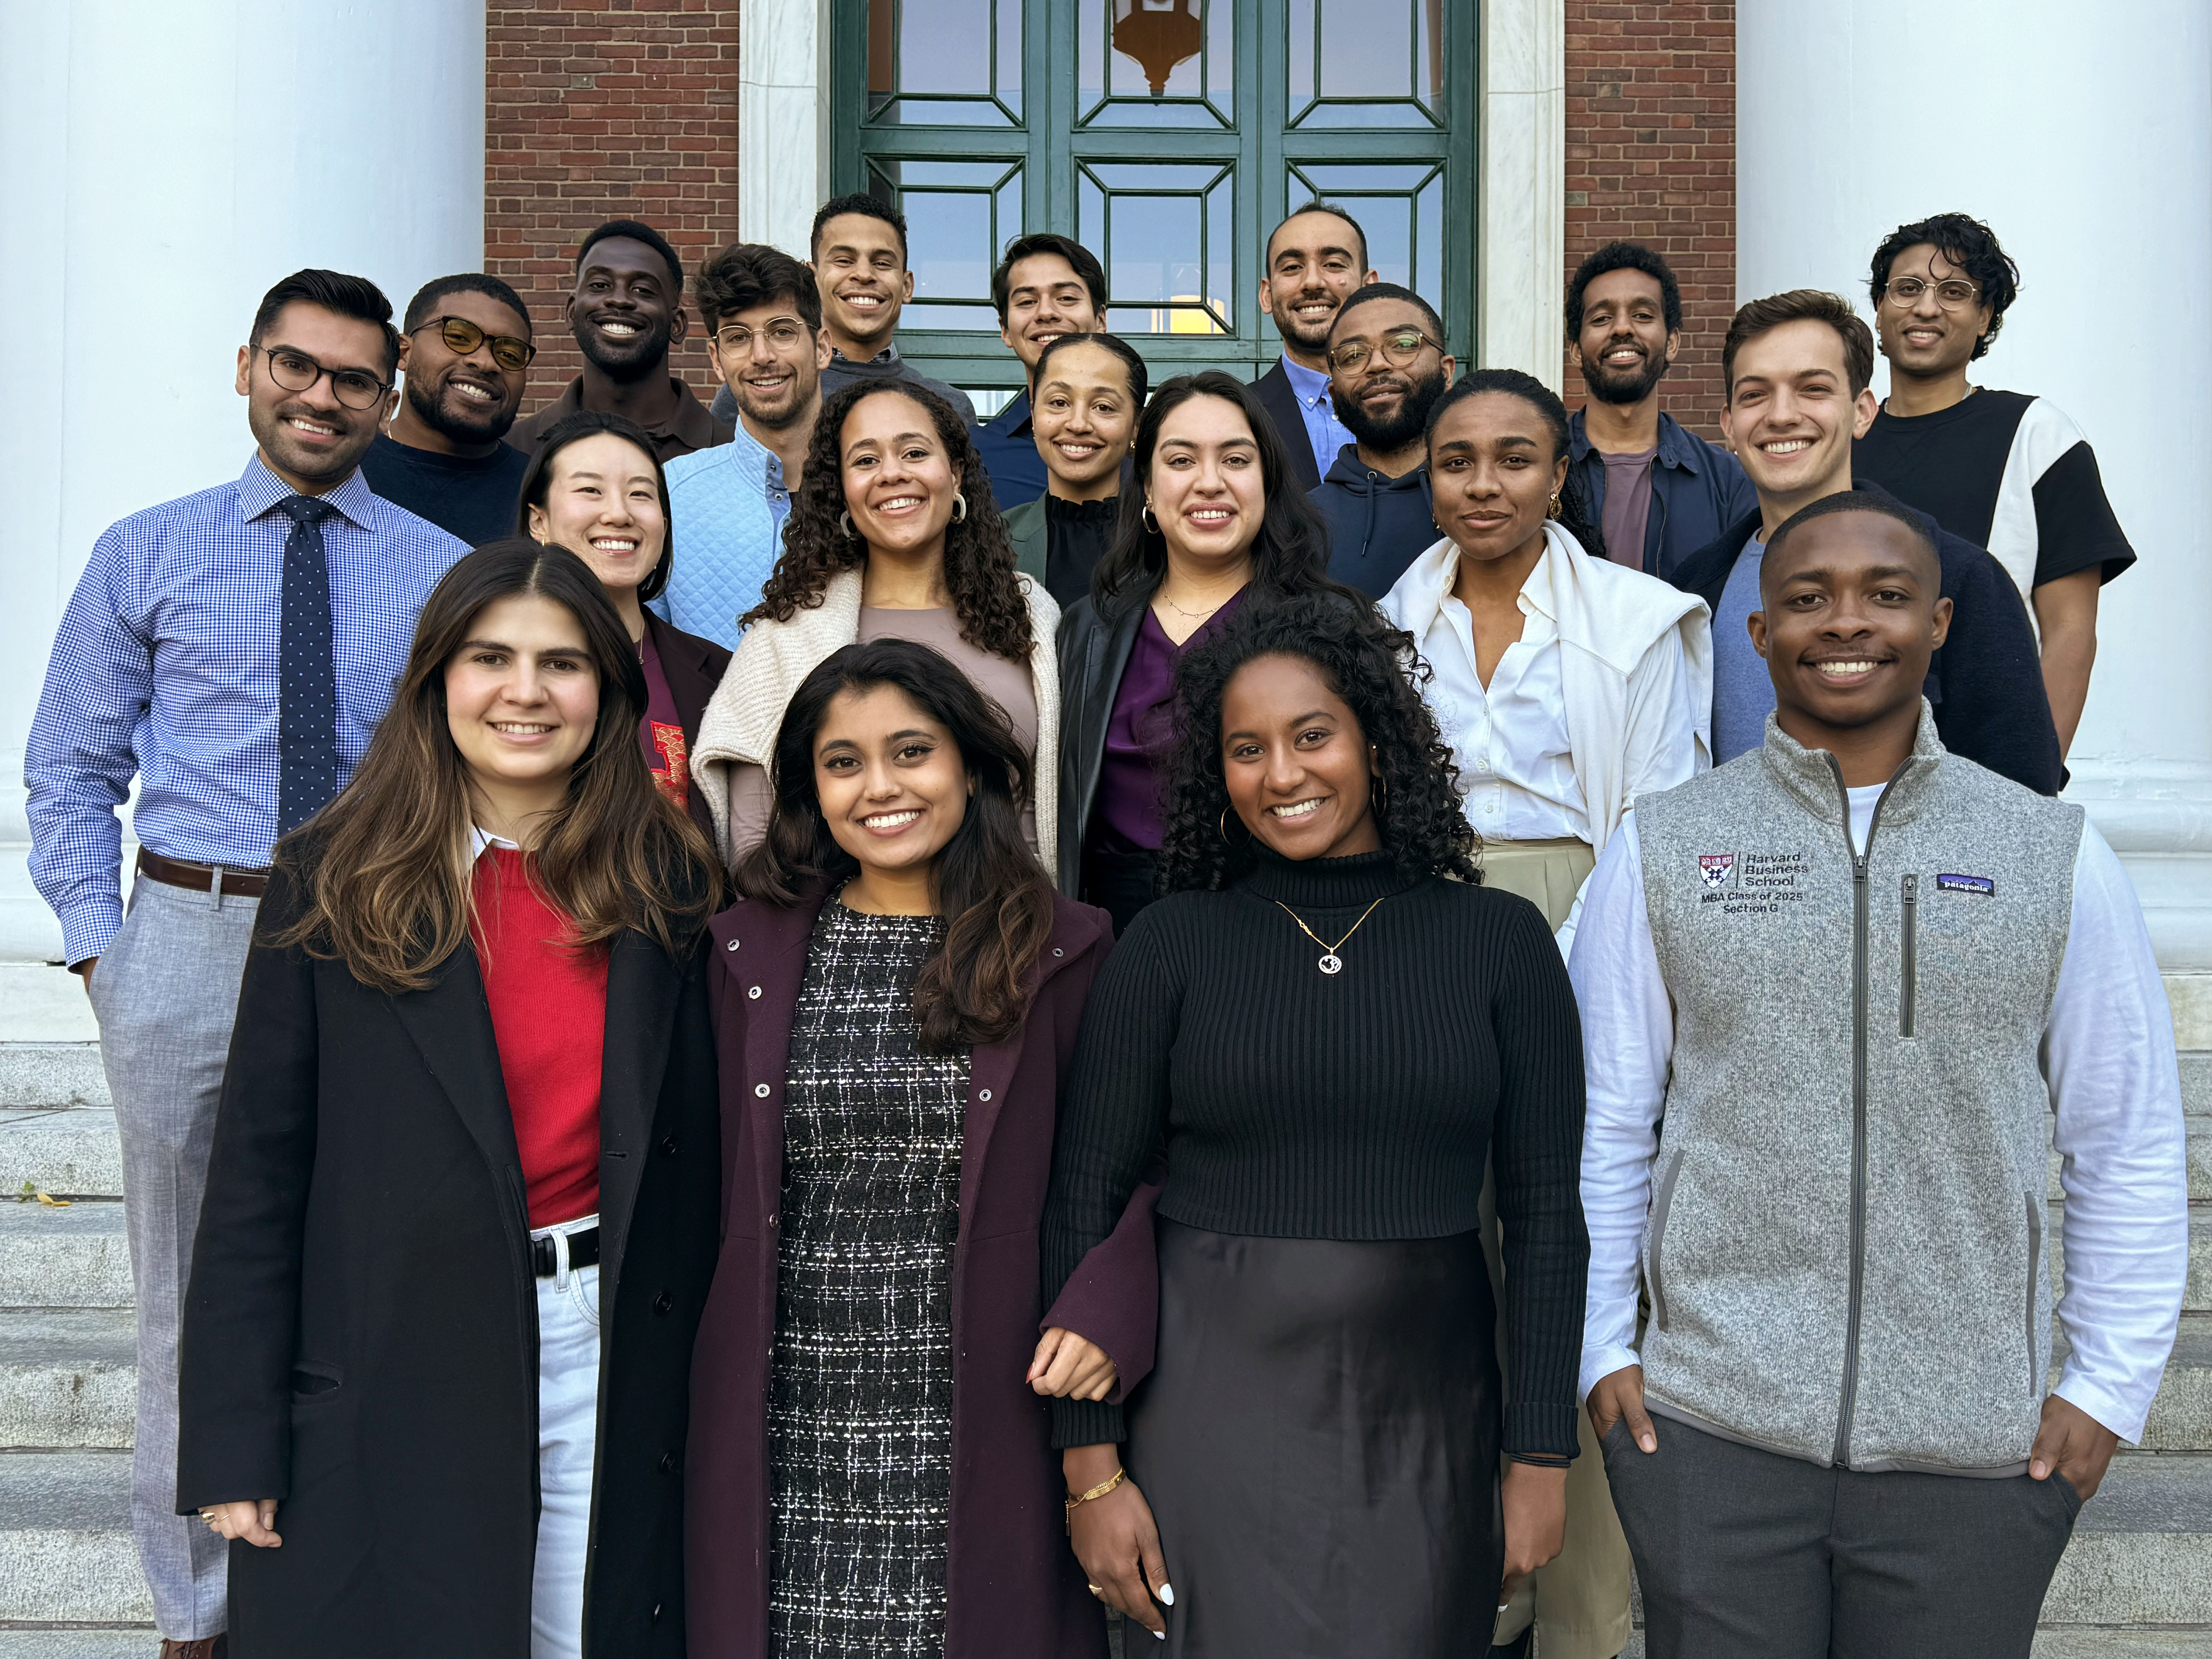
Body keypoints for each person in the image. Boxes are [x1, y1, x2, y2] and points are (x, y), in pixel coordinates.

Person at [1574, 492, 2187, 1659]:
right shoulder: (1661, 849)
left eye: (1883, 595)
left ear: (1940, 622)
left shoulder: (2051, 855)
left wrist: (2104, 1386)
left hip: (1971, 1447)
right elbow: (1607, 1122)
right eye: (1804, 598)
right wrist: (1602, 1349)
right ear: (1756, 635)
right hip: (1711, 1432)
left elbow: (2122, 1139)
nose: (1842, 622)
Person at [22, 268, 465, 1659]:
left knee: (358, 1270)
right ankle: (194, 1614)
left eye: (350, 377)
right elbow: (68, 769)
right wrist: (106, 948)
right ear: (246, 368)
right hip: (191, 936)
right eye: (297, 365)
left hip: (364, 942)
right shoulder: (141, 551)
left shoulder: (431, 571)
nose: (321, 395)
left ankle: (328, 1573)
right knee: (183, 1294)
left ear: (386, 398)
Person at [175, 541, 723, 1659]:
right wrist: (234, 1438)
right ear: (438, 680)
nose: (527, 692)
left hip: (603, 1345)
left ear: (608, 695)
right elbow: (255, 1177)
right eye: (492, 657)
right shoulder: (332, 879)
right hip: (394, 1354)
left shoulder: (669, 885)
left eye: (564, 664)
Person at [1042, 594, 1589, 1654]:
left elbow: (1544, 1217)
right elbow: (1082, 1205)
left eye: (1312, 736)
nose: (1282, 775)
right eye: (1246, 750)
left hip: (1429, 1412)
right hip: (1205, 1409)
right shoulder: (1167, 946)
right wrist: (1089, 1466)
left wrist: (1540, 1453)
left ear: (1376, 743)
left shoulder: (1500, 941)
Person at [686, 638, 1124, 1656]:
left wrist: (1110, 1312)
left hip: (987, 1410)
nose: (880, 786)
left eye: (911, 751)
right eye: (844, 762)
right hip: (788, 1416)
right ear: (809, 790)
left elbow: (1129, 1168)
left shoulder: (1067, 950)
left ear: (971, 767)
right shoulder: (740, 953)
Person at [1379, 368, 1703, 1659]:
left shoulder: (1635, 622)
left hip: (1592, 921)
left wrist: (1555, 958)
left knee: (1570, 1248)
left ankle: (1583, 1618)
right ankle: (1470, 1596)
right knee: (1439, 1249)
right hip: (1420, 928)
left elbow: (1658, 820)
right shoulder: (1387, 622)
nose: (1483, 484)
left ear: (1561, 472)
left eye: (1515, 458)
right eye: (1457, 460)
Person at [1669, 290, 2062, 794]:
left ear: (1862, 412)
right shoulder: (1689, 594)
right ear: (1728, 425)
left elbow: (2018, 790)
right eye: (1754, 395)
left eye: (1813, 389)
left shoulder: (1961, 579)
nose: (1782, 415)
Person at [691, 380, 1063, 876]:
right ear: (841, 491)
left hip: (1019, 924)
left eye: (913, 452)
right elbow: (755, 838)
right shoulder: (788, 635)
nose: (892, 474)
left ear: (955, 474)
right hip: (851, 933)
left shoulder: (1031, 613)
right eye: (865, 461)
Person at [1056, 371, 1350, 934]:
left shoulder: (1328, 627)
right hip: (1116, 933)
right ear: (1145, 486)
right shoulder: (1087, 630)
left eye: (1236, 460)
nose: (1209, 482)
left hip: (1283, 923)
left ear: (1267, 480)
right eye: (1181, 460)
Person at [1854, 212, 2135, 758]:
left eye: (1954, 292)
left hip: (1986, 758)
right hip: (1846, 759)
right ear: (1882, 311)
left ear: (1985, 318)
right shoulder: (1840, 438)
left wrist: (2035, 780)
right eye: (1907, 289)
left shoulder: (2039, 437)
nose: (1926, 307)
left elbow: (2071, 635)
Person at [518, 410, 733, 843]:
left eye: (640, 494)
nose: (619, 514)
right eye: (590, 490)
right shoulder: (491, 670)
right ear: (539, 521)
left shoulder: (719, 675)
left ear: (664, 523)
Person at [661, 243, 830, 647]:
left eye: (783, 331)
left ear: (822, 347)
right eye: (738, 338)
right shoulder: (670, 493)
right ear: (717, 360)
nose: (762, 356)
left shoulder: (876, 488)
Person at [1563, 241, 1755, 580]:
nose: (1622, 328)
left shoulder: (1728, 481)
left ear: (1672, 343)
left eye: (1643, 315)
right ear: (1576, 350)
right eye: (1602, 318)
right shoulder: (1541, 467)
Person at [708, 194, 976, 428]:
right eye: (844, 260)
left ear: (907, 287)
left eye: (882, 263)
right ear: (812, 280)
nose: (863, 274)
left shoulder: (950, 406)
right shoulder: (763, 385)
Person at [508, 218, 733, 462]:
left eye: (643, 289)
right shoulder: (515, 449)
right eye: (600, 285)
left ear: (677, 325)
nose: (619, 300)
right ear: (572, 313)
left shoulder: (733, 454)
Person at [360, 273, 538, 545]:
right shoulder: (345, 469)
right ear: (403, 353)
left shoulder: (542, 492)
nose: (485, 362)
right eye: (458, 337)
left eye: (510, 355)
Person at [1311, 282, 1456, 598]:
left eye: (1404, 344)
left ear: (1447, 373)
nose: (1377, 364)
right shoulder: (1299, 524)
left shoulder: (1486, 501)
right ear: (1334, 394)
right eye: (1352, 355)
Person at [1004, 331, 1149, 608]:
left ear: (1136, 426)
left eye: (1103, 407)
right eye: (1059, 403)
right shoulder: (989, 542)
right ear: (1034, 417)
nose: (1078, 424)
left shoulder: (1167, 540)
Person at [1249, 199, 1381, 490]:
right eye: (1293, 267)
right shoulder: (1237, 415)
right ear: (1267, 295)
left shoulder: (1425, 414)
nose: (1312, 282)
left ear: (1368, 288)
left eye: (1333, 264)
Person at [973, 233, 1110, 509]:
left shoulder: (1147, 449)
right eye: (1026, 302)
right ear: (1005, 330)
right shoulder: (974, 454)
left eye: (1067, 298)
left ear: (1100, 320)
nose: (1046, 313)